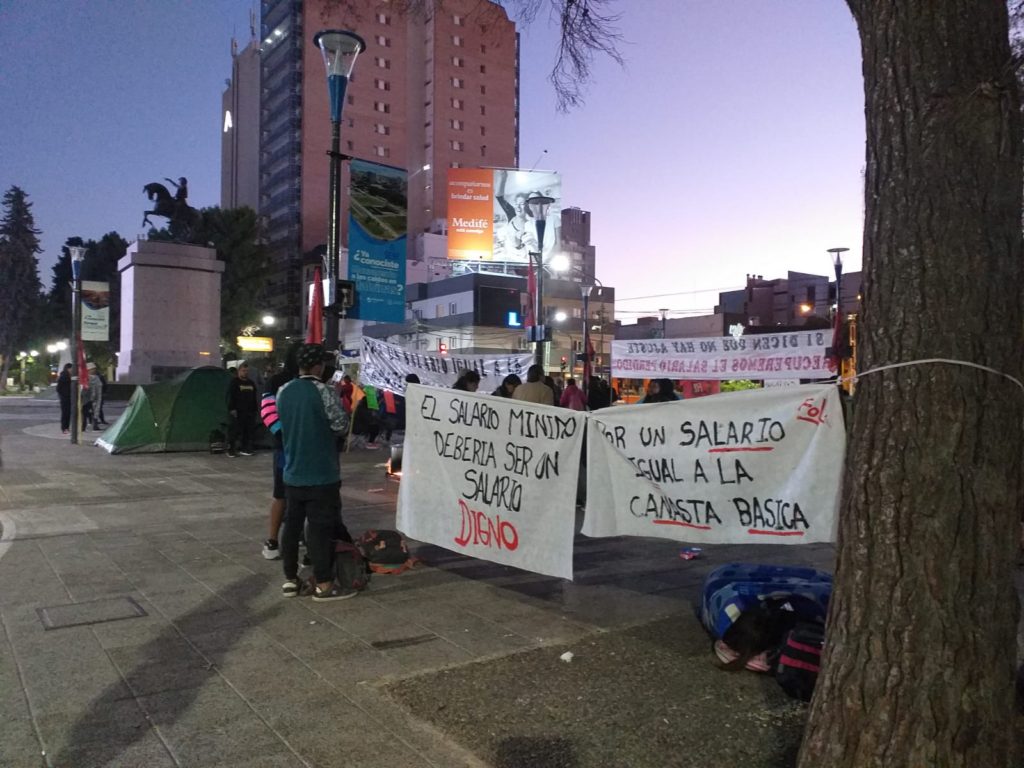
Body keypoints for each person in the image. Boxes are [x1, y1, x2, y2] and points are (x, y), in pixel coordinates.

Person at [276, 343, 354, 601]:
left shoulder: (283, 391)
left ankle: (290, 579)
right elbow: (341, 426)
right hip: (321, 473)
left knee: (292, 526)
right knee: (320, 528)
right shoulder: (324, 391)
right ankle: (324, 584)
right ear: (318, 366)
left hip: (292, 471)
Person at [259, 343, 299, 560]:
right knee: (282, 494)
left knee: (297, 495)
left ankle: (296, 535)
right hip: (286, 448)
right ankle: (273, 540)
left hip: (297, 447)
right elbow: (268, 412)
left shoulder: (311, 383)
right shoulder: (276, 381)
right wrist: (286, 436)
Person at [227, 362, 259, 457]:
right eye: (243, 371)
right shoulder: (234, 382)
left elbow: (254, 397)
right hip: (238, 411)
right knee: (235, 431)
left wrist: (255, 409)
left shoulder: (251, 383)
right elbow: (231, 396)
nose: (245, 373)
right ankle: (231, 449)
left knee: (248, 431)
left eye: (247, 371)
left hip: (249, 411)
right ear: (239, 371)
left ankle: (245, 448)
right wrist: (232, 409)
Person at [56, 363, 72, 434]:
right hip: (65, 397)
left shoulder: (68, 376)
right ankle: (64, 428)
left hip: (67, 397)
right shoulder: (64, 376)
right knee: (65, 413)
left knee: (68, 413)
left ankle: (66, 427)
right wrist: (64, 395)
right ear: (68, 368)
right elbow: (59, 388)